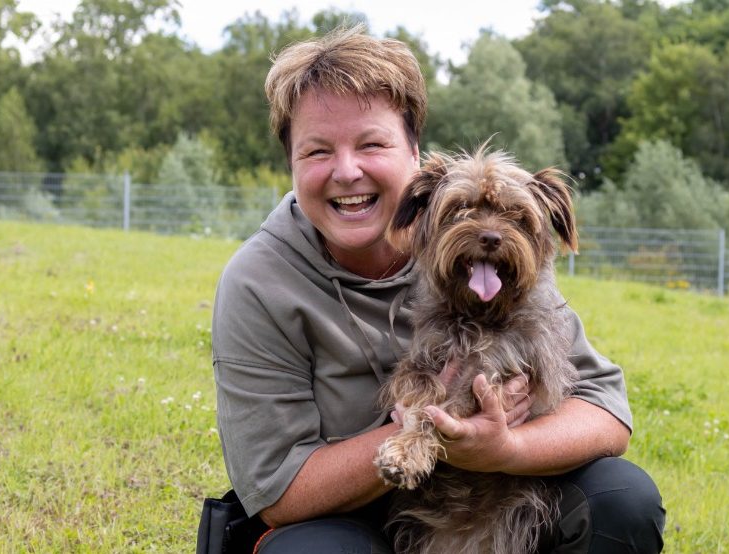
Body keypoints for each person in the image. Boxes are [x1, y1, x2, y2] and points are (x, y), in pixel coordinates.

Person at [210, 26, 665, 553]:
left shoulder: (495, 274)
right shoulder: (258, 283)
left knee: (622, 497)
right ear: (291, 163)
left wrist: (505, 449)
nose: (347, 171)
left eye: (371, 144)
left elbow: (606, 414)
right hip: (350, 519)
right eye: (317, 151)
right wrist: (427, 432)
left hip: (499, 498)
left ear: (415, 153)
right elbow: (278, 492)